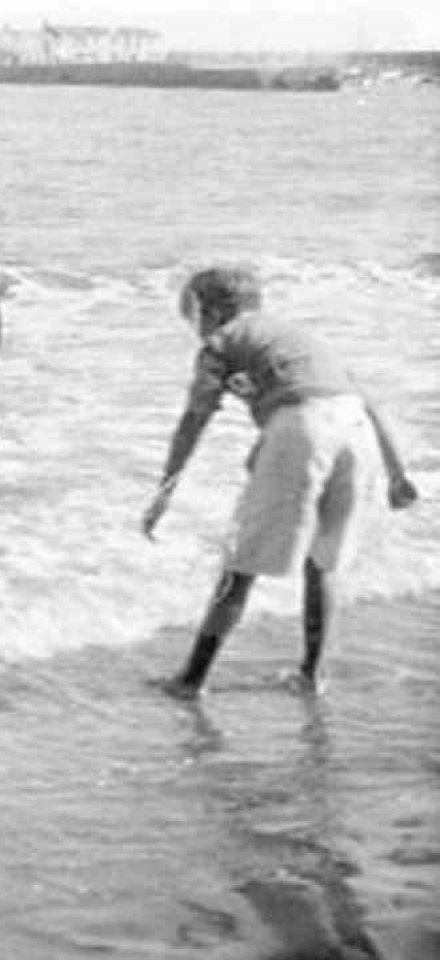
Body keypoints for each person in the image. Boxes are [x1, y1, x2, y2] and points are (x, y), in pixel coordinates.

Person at [142, 266, 417, 699]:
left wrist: (165, 491)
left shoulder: (221, 341)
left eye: (190, 316)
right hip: (354, 428)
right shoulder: (299, 336)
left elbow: (194, 419)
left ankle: (190, 680)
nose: (193, 328)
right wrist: (397, 474)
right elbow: (365, 400)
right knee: (322, 562)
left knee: (241, 563)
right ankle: (312, 675)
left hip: (299, 429)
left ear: (209, 310)